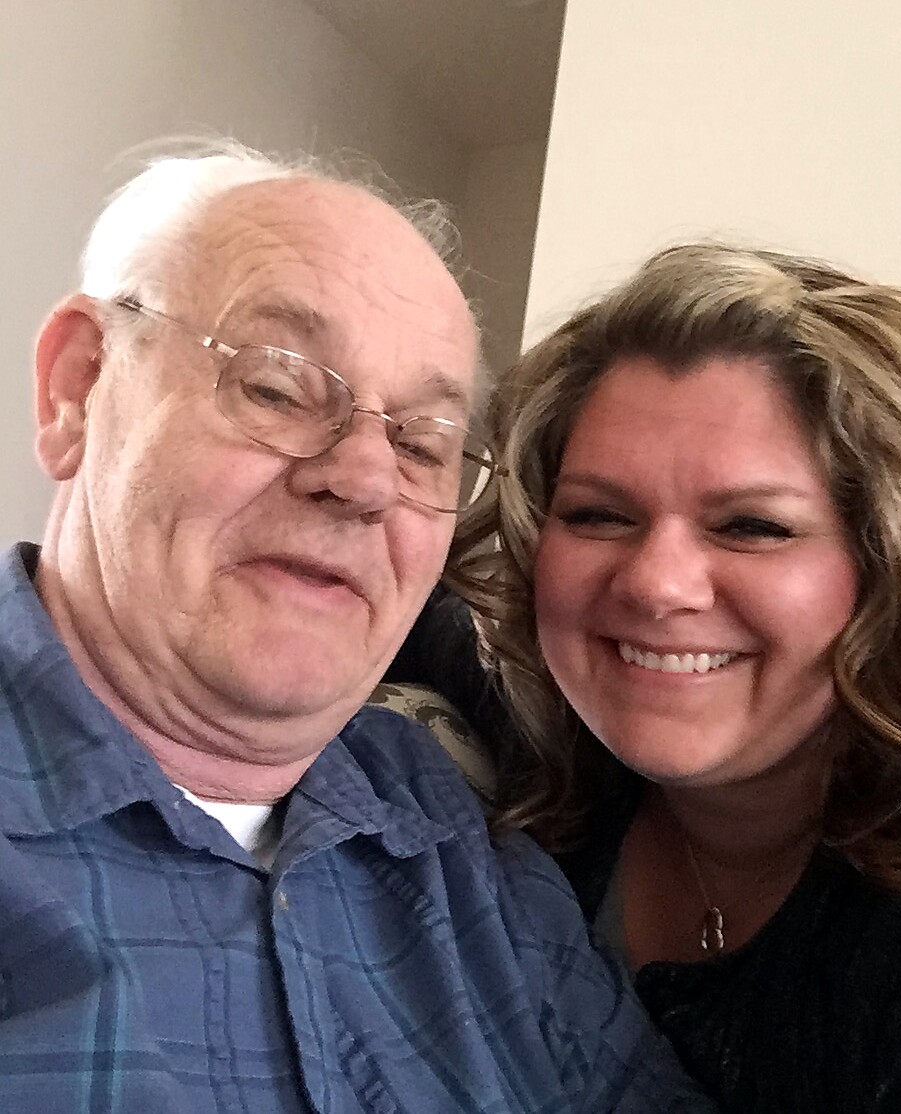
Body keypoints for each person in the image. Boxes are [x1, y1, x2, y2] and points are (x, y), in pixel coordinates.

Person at [0, 144, 718, 1114]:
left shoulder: (445, 828)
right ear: (77, 387)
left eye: (422, 442)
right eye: (277, 386)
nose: (369, 478)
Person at [387, 242, 901, 1113]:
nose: (655, 585)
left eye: (753, 526)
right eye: (598, 515)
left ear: (895, 569)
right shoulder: (542, 737)